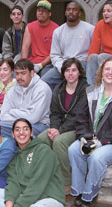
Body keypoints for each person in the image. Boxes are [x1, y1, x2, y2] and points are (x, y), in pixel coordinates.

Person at [68, 56, 112, 207]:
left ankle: (90, 194)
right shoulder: (92, 92)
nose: (110, 72)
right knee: (73, 149)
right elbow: (80, 118)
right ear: (101, 71)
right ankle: (79, 191)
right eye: (107, 69)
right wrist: (84, 138)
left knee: (96, 157)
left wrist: (101, 142)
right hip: (93, 138)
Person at [37, 58, 88, 194]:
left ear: (79, 72)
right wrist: (53, 128)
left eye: (74, 70)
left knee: (59, 142)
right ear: (63, 73)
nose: (70, 74)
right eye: (67, 70)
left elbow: (80, 115)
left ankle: (65, 181)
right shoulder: (59, 89)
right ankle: (46, 176)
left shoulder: (85, 89)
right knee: (41, 139)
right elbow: (54, 113)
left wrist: (59, 131)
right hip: (60, 127)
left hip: (79, 128)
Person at [46, 1, 94, 89]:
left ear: (79, 13)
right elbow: (54, 55)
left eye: (74, 10)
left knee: (87, 86)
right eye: (68, 10)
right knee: (44, 83)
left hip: (82, 64)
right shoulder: (58, 31)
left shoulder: (90, 29)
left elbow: (95, 51)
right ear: (65, 13)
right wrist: (63, 68)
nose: (71, 12)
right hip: (64, 64)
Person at [0, 59, 52, 138]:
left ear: (32, 73)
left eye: (23, 73)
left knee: (3, 130)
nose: (19, 77)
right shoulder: (12, 90)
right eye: (17, 74)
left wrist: (12, 111)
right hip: (15, 124)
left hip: (38, 125)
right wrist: (24, 115)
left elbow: (33, 118)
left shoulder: (42, 89)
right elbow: (3, 116)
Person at [21, 0, 58, 77]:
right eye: (38, 10)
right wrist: (23, 63)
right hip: (32, 61)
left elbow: (55, 53)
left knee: (45, 78)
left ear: (49, 14)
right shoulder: (30, 26)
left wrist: (41, 65)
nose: (40, 13)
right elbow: (25, 46)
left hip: (48, 63)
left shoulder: (56, 29)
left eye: (44, 11)